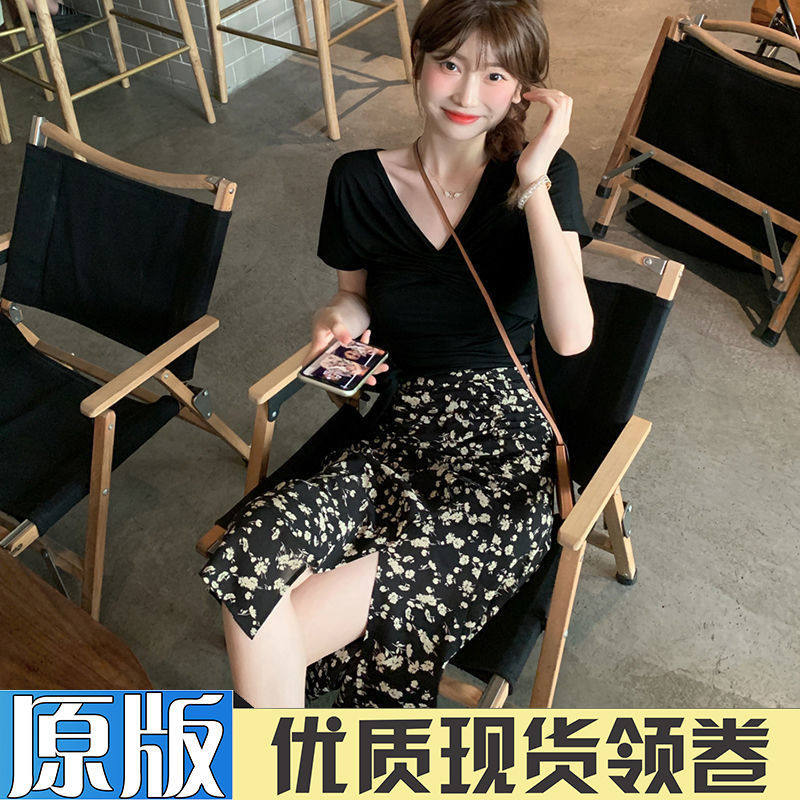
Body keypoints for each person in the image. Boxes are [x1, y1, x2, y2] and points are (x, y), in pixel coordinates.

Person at [201, 0, 593, 709]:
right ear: (418, 61)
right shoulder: (358, 179)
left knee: (288, 623)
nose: (467, 93)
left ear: (525, 90)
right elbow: (354, 297)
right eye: (450, 64)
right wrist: (335, 319)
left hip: (502, 452)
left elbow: (571, 336)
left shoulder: (545, 176)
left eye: (495, 75)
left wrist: (534, 176)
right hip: (398, 431)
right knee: (251, 558)